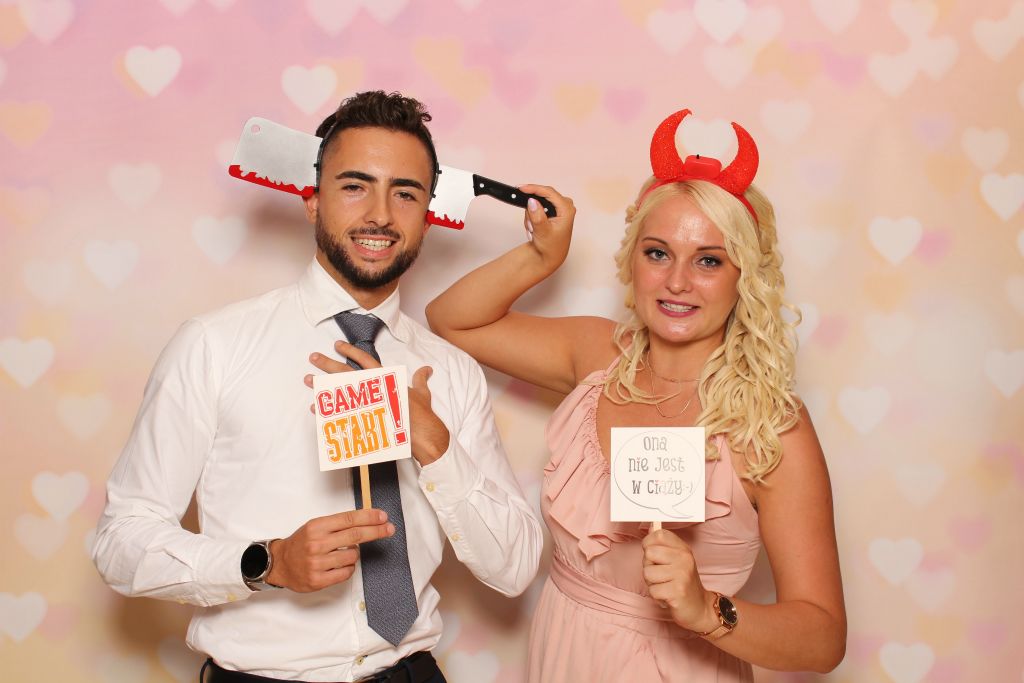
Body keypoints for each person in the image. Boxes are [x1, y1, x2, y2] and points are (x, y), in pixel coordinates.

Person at [91, 90, 542, 683]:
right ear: (312, 200)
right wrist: (265, 563)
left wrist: (436, 447)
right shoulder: (214, 346)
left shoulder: (450, 371)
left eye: (405, 193)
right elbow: (120, 542)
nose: (380, 215)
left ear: (428, 213)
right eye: (355, 186)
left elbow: (515, 569)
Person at [423, 108, 846, 681]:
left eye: (709, 261)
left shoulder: (772, 425)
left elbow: (823, 638)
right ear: (633, 260)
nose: (677, 281)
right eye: (657, 253)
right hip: (564, 656)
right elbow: (453, 319)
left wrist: (706, 609)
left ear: (744, 276)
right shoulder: (598, 353)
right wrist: (541, 256)